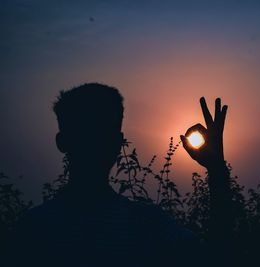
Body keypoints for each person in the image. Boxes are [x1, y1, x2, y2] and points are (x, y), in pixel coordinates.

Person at [6, 83, 233, 266]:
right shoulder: (33, 231)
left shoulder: (34, 228)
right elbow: (214, 257)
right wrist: (216, 171)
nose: (96, 141)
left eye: (104, 130)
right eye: (87, 130)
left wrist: (216, 170)